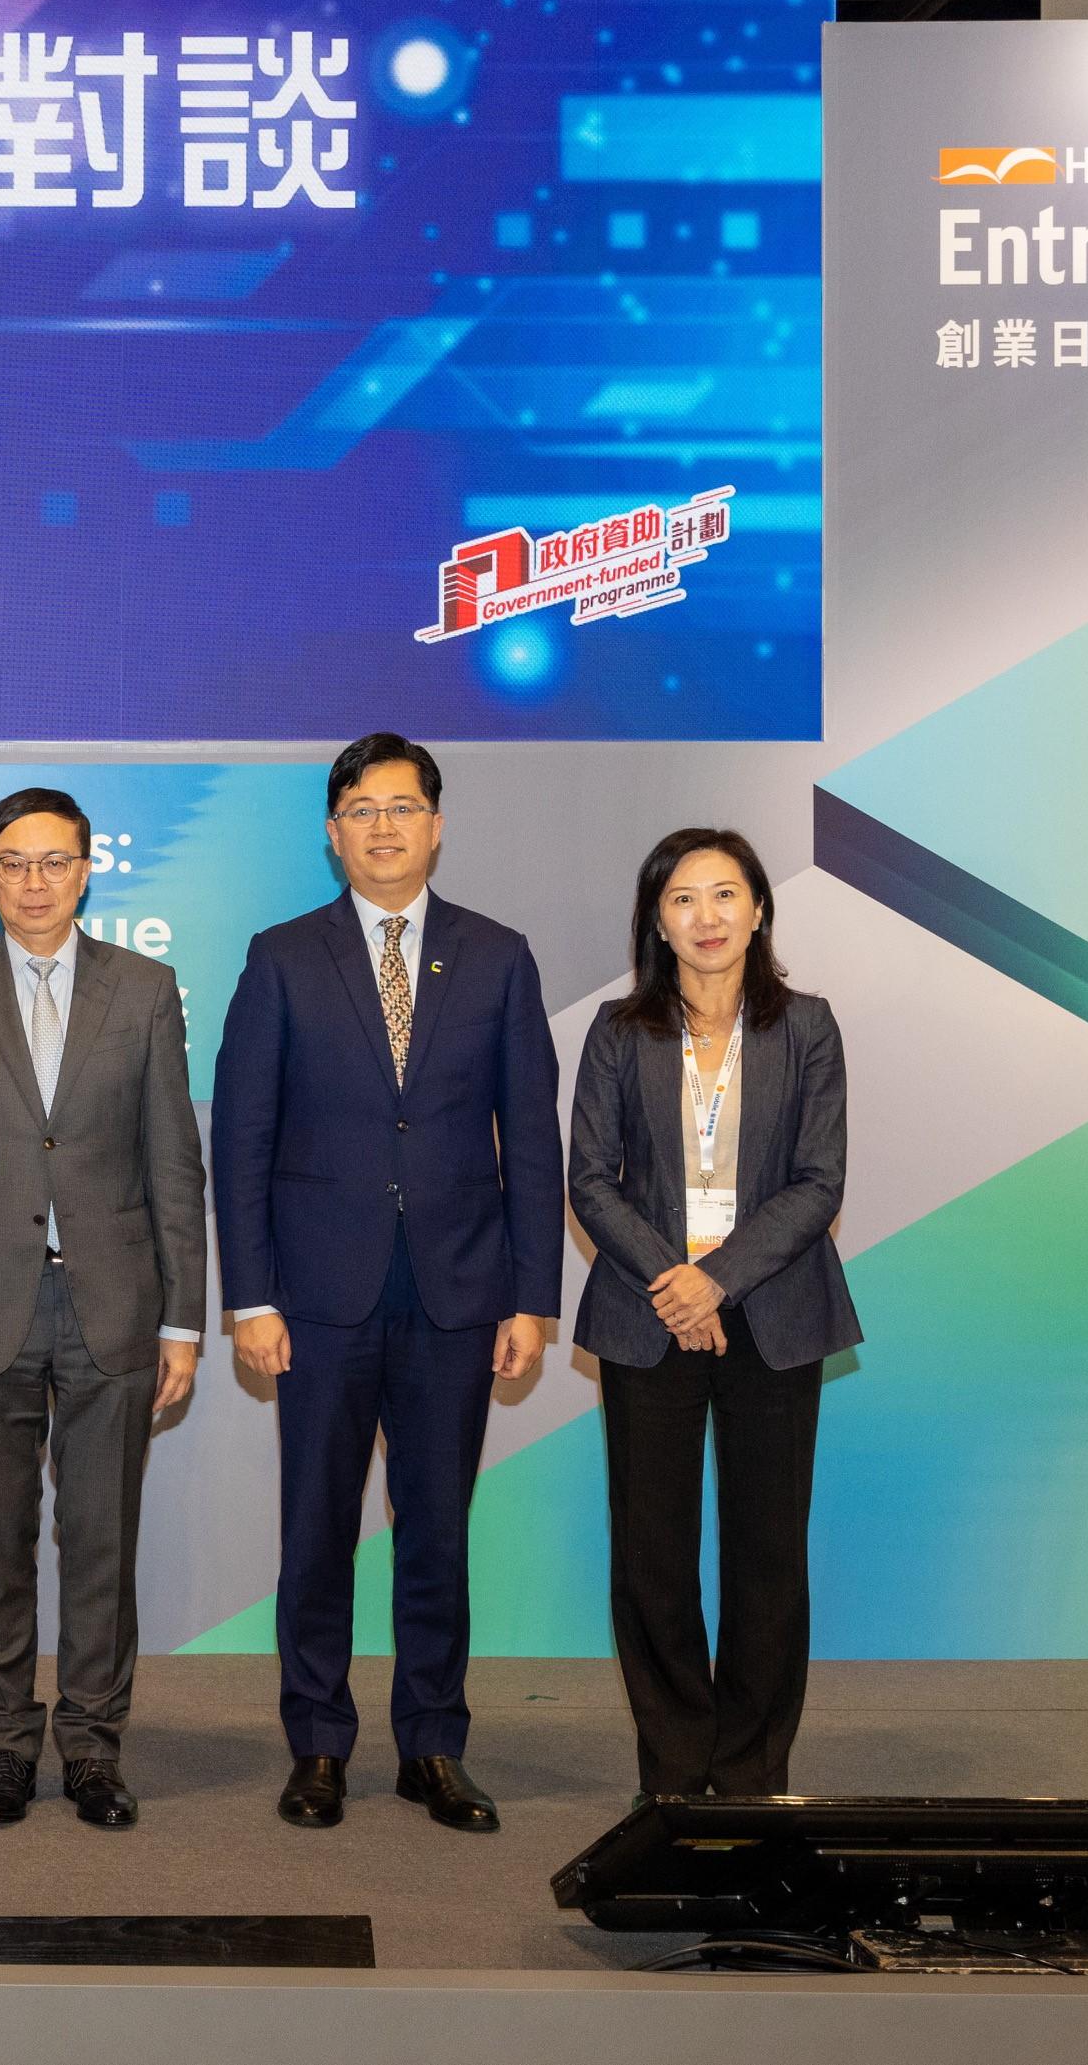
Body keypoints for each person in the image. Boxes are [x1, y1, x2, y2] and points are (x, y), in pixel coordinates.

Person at [212, 734, 559, 1835]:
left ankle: (433, 1745)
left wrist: (532, 1296)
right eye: (358, 809)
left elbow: (532, 1139)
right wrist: (250, 1298)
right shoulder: (280, 957)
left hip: (458, 1294)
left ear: (438, 822)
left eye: (401, 806)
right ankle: (317, 1743)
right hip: (316, 1297)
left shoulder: (496, 956)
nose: (381, 827)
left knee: (437, 1529)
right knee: (315, 1529)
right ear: (331, 832)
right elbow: (241, 1138)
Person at [0, 787, 209, 1831]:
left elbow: (174, 1165)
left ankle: (91, 1748)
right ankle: (2, 1748)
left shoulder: (145, 989)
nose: (34, 882)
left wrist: (181, 1319)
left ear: (87, 869)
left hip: (114, 1307)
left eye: (54, 861)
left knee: (100, 1541)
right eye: (13, 862)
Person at [569, 827, 855, 1800]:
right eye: (683, 899)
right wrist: (673, 1281)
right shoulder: (617, 1031)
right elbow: (591, 1181)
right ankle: (676, 1767)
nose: (706, 917)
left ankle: (750, 1769)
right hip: (648, 1319)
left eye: (724, 895)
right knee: (652, 1556)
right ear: (656, 918)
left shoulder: (806, 1026)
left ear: (759, 909)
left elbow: (820, 1182)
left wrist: (717, 1279)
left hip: (770, 1316)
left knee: (767, 1556)